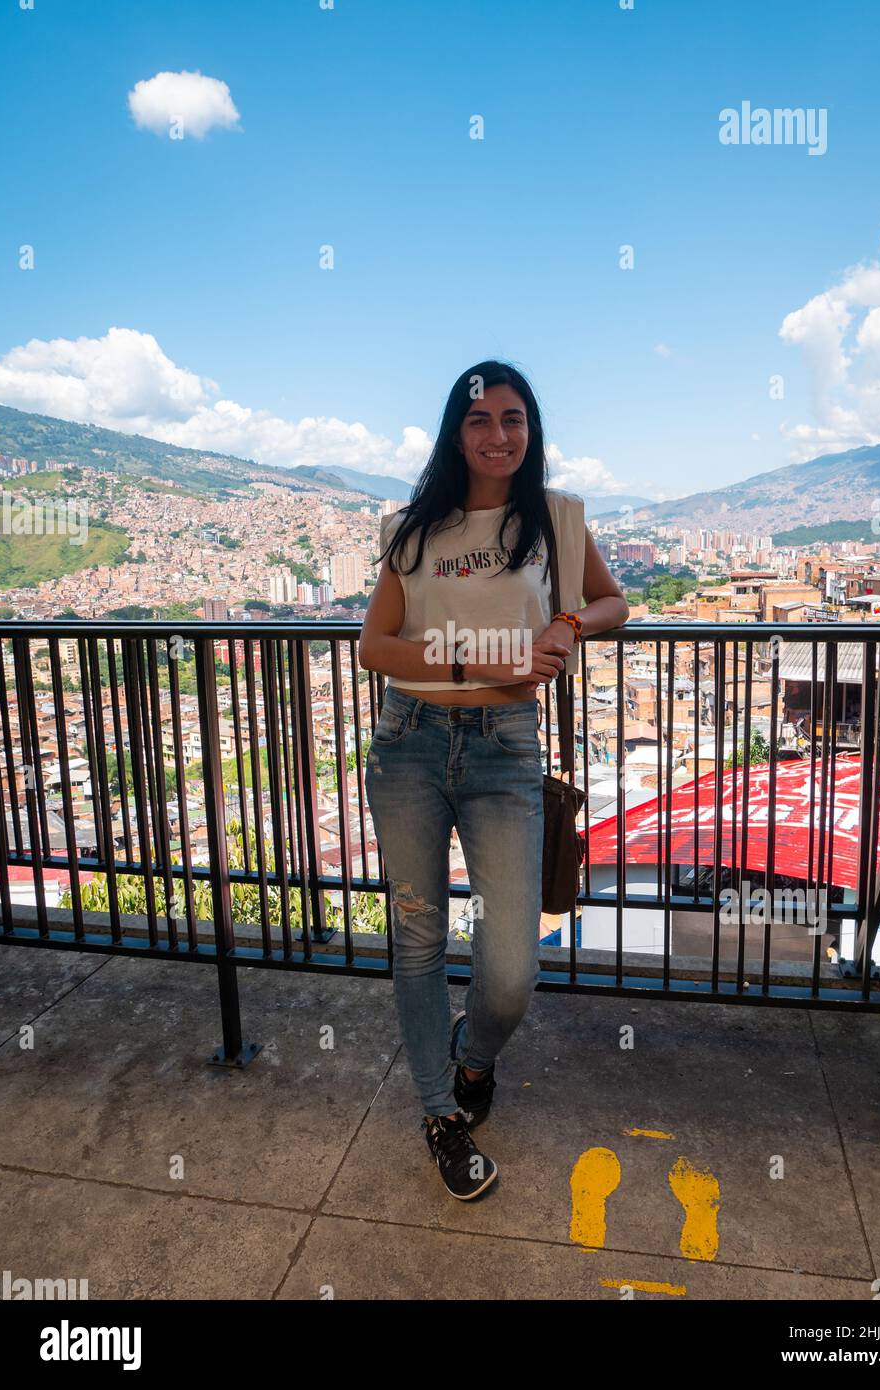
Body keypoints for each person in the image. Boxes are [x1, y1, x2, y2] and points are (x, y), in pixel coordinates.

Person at [357, 360, 629, 1200]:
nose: (499, 434)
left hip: (505, 749)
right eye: (481, 420)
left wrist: (567, 621)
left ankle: (474, 1060)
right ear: (456, 431)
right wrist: (475, 659)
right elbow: (377, 647)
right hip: (409, 742)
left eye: (514, 419)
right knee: (420, 938)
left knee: (511, 966)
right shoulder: (412, 527)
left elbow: (614, 602)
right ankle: (440, 1112)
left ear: (531, 429)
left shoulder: (554, 517)